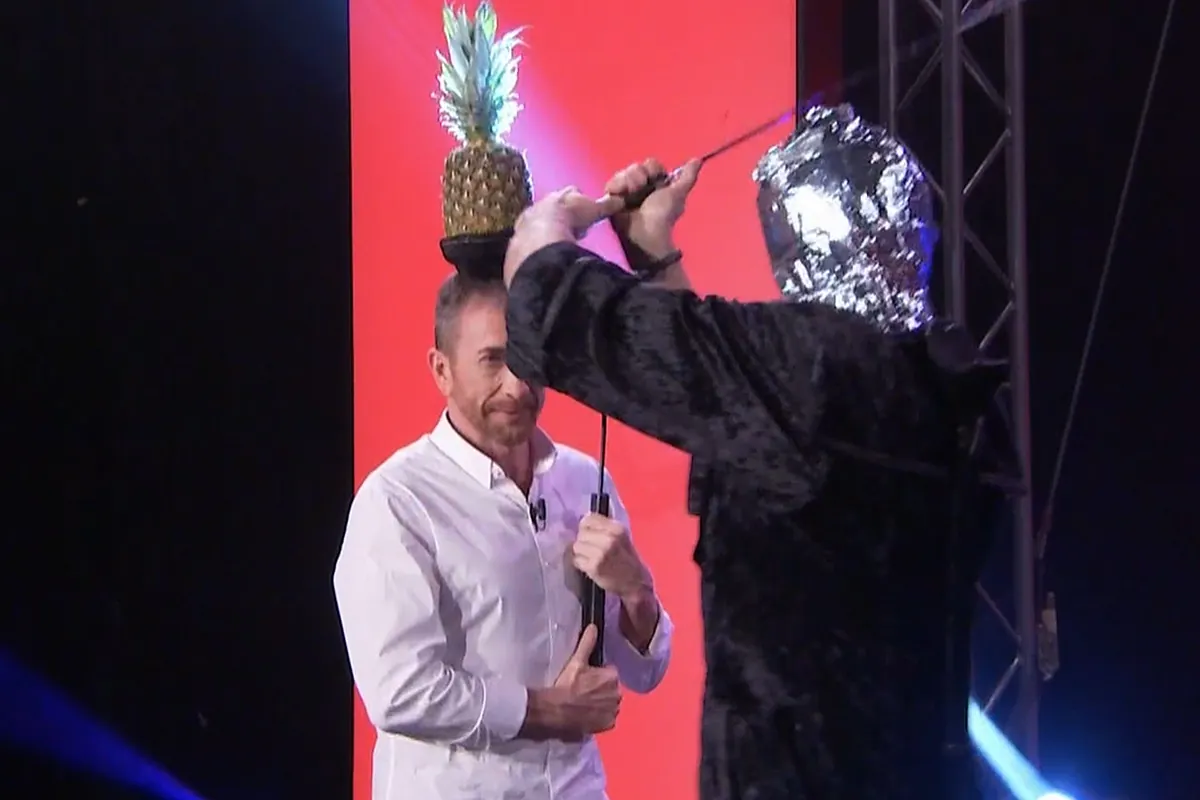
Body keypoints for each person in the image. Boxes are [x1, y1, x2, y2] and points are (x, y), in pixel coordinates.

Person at [500, 158, 1001, 799]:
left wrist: (542, 236)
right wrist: (653, 254)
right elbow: (730, 407)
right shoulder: (944, 388)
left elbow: (558, 310)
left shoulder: (812, 370)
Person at [333, 275, 674, 800]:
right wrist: (548, 710)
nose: (516, 385)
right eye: (492, 360)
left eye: (528, 357)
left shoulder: (586, 482)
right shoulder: (398, 501)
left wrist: (637, 593)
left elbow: (641, 675)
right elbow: (400, 690)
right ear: (442, 370)